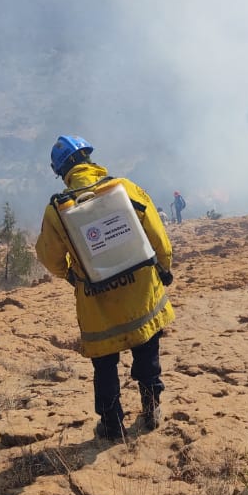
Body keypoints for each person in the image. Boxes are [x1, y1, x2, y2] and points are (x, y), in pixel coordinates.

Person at [36, 135, 175, 441]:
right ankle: (152, 409)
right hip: (140, 291)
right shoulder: (124, 188)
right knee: (147, 349)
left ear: (61, 171)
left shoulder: (57, 210)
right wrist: (164, 267)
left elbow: (49, 257)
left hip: (96, 301)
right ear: (88, 157)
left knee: (105, 365)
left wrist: (72, 276)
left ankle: (112, 425)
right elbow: (157, 234)